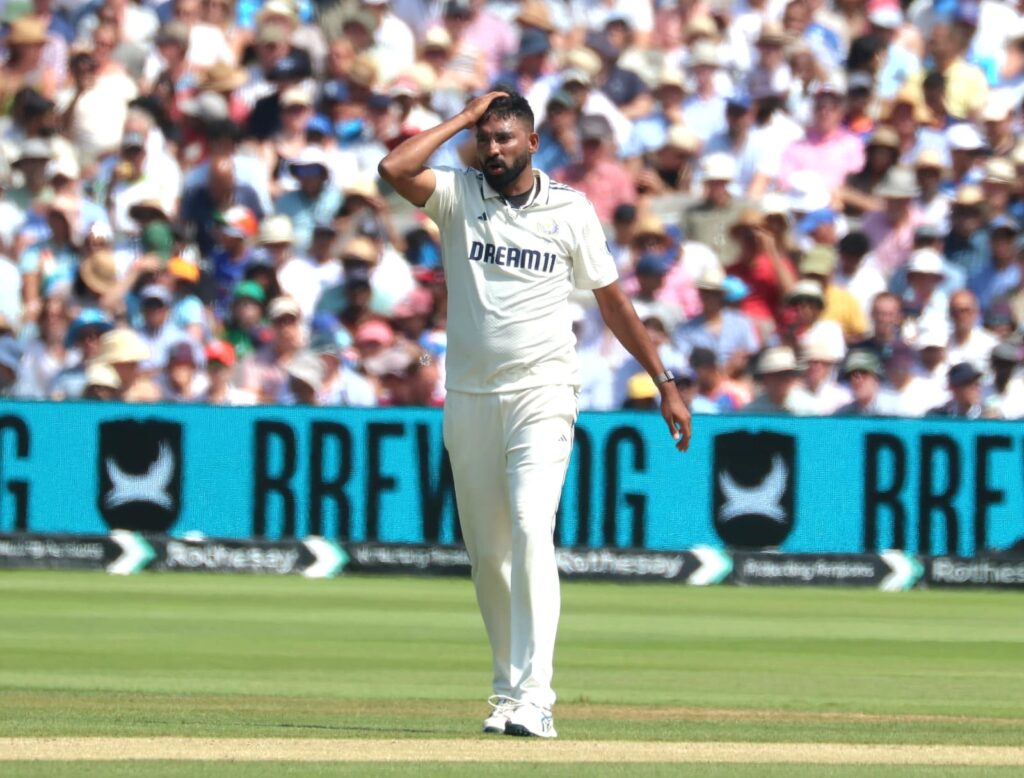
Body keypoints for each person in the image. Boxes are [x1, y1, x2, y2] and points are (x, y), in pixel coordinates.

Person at [378, 91, 690, 738]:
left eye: (504, 139)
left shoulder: (570, 209)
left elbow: (614, 305)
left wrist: (663, 380)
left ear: (531, 144)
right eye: (485, 139)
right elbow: (394, 170)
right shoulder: (458, 193)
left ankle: (538, 699)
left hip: (543, 391)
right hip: (467, 395)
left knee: (529, 525)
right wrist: (462, 118)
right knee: (488, 554)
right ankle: (507, 691)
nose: (492, 149)